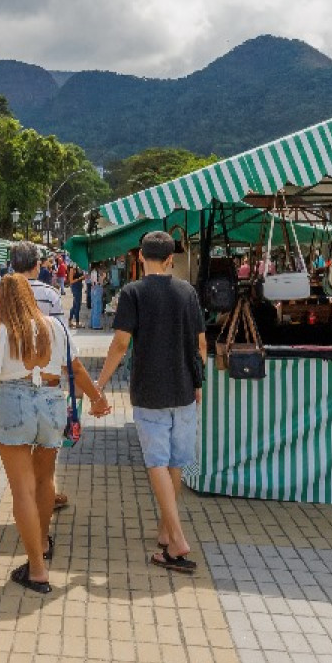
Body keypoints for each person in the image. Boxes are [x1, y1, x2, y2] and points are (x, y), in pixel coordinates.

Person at [0, 274, 108, 593]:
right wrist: (97, 398)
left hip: (13, 401)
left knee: (22, 489)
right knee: (45, 479)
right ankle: (44, 541)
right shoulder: (55, 326)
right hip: (51, 401)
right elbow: (74, 369)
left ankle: (37, 568)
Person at [96, 230, 205, 573]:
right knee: (174, 462)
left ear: (140, 257)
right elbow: (200, 345)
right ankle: (164, 532)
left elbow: (120, 345)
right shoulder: (187, 292)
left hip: (150, 390)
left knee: (157, 461)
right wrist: (198, 382)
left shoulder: (133, 293)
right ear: (171, 259)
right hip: (184, 389)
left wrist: (99, 384)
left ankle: (177, 538)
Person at [1, 242, 73, 509]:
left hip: (10, 383)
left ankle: (30, 501)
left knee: (19, 446)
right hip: (47, 383)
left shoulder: (0, 292)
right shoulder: (52, 295)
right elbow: (63, 340)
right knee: (45, 454)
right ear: (37, 265)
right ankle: (43, 497)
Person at [87, 264, 107, 330]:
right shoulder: (98, 271)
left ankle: (91, 323)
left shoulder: (92, 271)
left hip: (93, 288)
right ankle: (96, 325)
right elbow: (101, 280)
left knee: (93, 307)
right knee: (97, 307)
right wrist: (104, 276)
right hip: (98, 288)